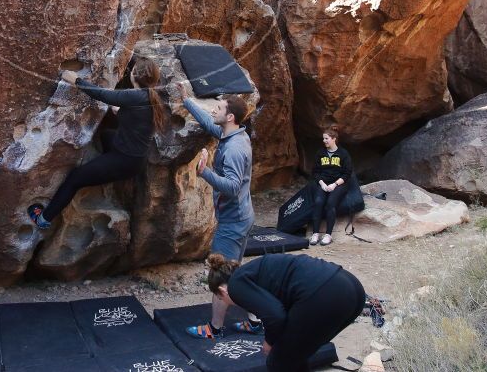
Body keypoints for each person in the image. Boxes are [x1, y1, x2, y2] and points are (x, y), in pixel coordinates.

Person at [27, 57, 166, 230]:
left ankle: (43, 219)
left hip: (125, 160)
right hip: (135, 157)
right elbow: (139, 119)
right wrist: (121, 112)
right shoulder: (151, 96)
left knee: (75, 178)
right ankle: (104, 169)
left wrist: (76, 80)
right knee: (106, 135)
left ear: (135, 74)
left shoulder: (134, 96)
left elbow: (102, 94)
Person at [177, 84, 258, 339]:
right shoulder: (233, 134)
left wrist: (205, 173)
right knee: (236, 273)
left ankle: (214, 328)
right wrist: (186, 101)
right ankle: (255, 321)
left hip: (233, 222)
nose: (214, 110)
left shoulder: (234, 148)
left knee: (220, 276)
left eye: (219, 108)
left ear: (230, 116)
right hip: (241, 216)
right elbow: (208, 123)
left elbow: (232, 187)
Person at [207, 253, 365, 372]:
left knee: (277, 362)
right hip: (352, 290)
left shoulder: (235, 286)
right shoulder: (250, 273)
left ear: (222, 291)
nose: (227, 303)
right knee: (295, 355)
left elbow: (275, 316)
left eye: (221, 299)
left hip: (326, 294)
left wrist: (269, 342)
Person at [309, 125, 353, 246]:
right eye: (323, 138)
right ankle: (315, 233)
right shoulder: (320, 153)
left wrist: (334, 184)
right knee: (318, 202)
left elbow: (347, 173)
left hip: (339, 183)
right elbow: (315, 172)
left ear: (334, 139)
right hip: (323, 183)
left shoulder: (343, 153)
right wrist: (322, 184)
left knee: (330, 203)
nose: (324, 141)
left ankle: (328, 235)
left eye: (326, 138)